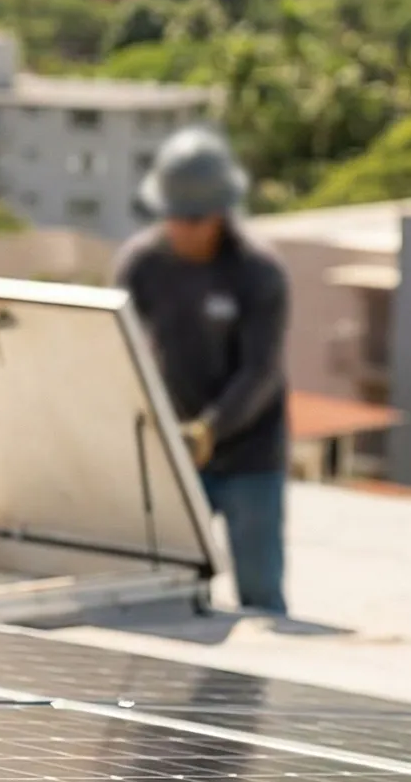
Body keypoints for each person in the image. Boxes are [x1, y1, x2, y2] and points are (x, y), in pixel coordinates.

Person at [114, 128, 291, 615]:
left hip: (249, 455)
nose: (184, 230)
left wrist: (210, 429)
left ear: (220, 212)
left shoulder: (259, 274)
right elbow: (122, 347)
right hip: (176, 452)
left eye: (195, 219)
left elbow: (262, 370)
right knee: (173, 592)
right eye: (175, 218)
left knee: (259, 593)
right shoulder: (143, 265)